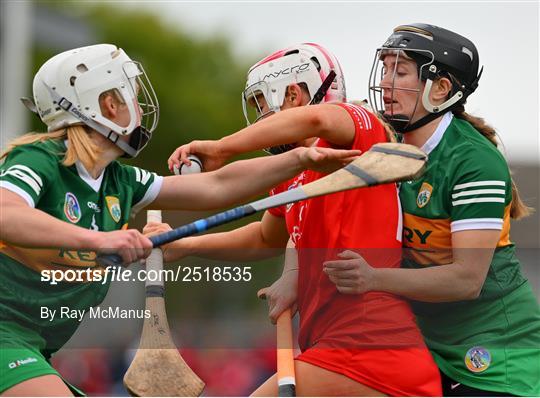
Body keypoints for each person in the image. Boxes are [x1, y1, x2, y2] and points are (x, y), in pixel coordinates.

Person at [0, 44, 359, 396]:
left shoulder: (120, 182)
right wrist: (100, 240)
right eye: (130, 96)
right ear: (108, 104)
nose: (138, 108)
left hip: (34, 347)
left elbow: (218, 186)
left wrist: (300, 159)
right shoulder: (41, 160)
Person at [155, 43, 442, 396]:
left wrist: (222, 147)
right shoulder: (293, 174)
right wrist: (186, 245)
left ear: (292, 93)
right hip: (333, 346)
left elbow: (316, 119)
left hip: (370, 347)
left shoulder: (357, 127)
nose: (261, 118)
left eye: (262, 103)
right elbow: (265, 238)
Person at [322, 23, 540, 396]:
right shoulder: (383, 146)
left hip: (494, 356)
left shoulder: (473, 161)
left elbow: (466, 280)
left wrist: (372, 278)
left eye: (401, 71)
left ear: (441, 89)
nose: (387, 82)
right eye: (386, 68)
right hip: (423, 343)